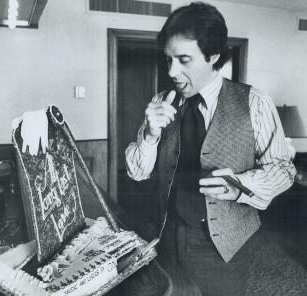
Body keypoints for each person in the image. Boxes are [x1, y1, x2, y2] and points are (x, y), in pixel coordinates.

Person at [125, 2, 296, 295]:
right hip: (166, 235)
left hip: (224, 247)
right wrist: (150, 135)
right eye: (168, 60)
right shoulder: (162, 100)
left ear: (213, 56)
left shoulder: (255, 102)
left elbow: (283, 169)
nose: (172, 71)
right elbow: (138, 173)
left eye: (183, 60)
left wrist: (241, 186)